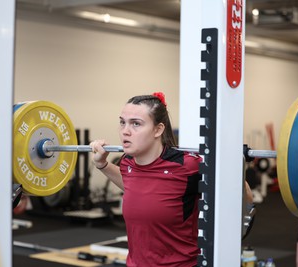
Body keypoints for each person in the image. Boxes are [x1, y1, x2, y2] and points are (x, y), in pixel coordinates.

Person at [90, 92, 254, 266]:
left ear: (158, 129)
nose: (125, 131)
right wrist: (102, 164)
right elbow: (135, 187)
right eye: (122, 122)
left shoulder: (187, 166)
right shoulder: (127, 162)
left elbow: (243, 196)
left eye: (136, 124)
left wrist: (232, 166)